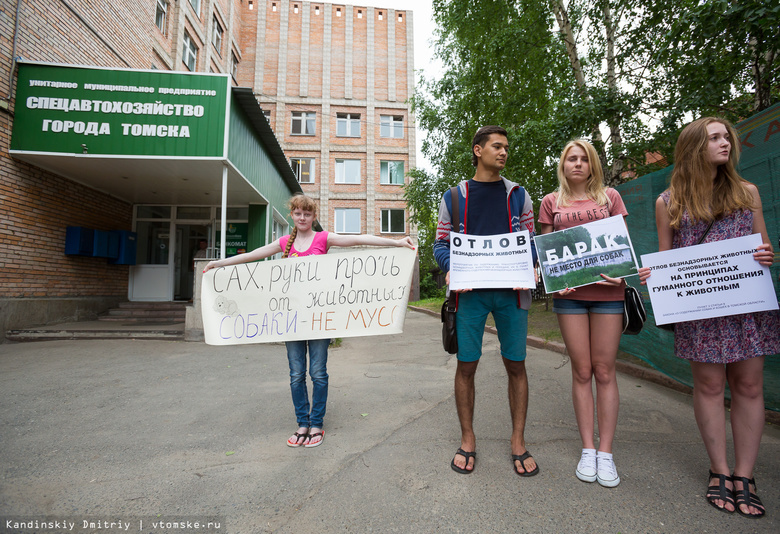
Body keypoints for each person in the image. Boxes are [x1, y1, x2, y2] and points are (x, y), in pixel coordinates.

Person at [639, 117, 779, 518]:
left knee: (750, 386)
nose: (725, 144)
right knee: (711, 385)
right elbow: (667, 259)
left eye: (726, 138)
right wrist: (656, 274)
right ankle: (719, 470)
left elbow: (763, 245)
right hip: (702, 310)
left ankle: (745, 476)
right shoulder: (668, 202)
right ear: (694, 147)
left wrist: (766, 255)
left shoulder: (747, 192)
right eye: (715, 138)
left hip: (747, 304)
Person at [203, 194, 414, 448]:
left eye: (307, 213)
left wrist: (397, 242)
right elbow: (254, 255)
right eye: (298, 213)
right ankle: (302, 423)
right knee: (296, 374)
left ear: (314, 217)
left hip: (318, 319)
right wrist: (219, 263)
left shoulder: (322, 239)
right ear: (292, 215)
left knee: (318, 373)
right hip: (291, 319)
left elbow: (358, 238)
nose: (302, 217)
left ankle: (316, 424)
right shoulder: (285, 242)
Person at [433, 125, 538, 476]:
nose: (504, 152)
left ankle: (518, 441)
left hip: (512, 294)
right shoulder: (454, 196)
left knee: (516, 365)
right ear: (478, 150)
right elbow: (440, 243)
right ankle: (467, 439)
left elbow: (531, 242)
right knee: (467, 365)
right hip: (469, 296)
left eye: (507, 147)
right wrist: (450, 268)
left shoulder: (520, 195)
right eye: (497, 146)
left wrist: (533, 264)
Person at [538, 139, 628, 488]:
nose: (577, 164)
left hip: (609, 294)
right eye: (570, 159)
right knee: (582, 370)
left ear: (592, 165)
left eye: (583, 159)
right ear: (563, 165)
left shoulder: (610, 198)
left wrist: (623, 272)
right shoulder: (551, 202)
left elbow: (624, 243)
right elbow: (546, 253)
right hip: (570, 298)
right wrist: (553, 280)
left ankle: (606, 452)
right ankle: (587, 449)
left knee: (605, 371)